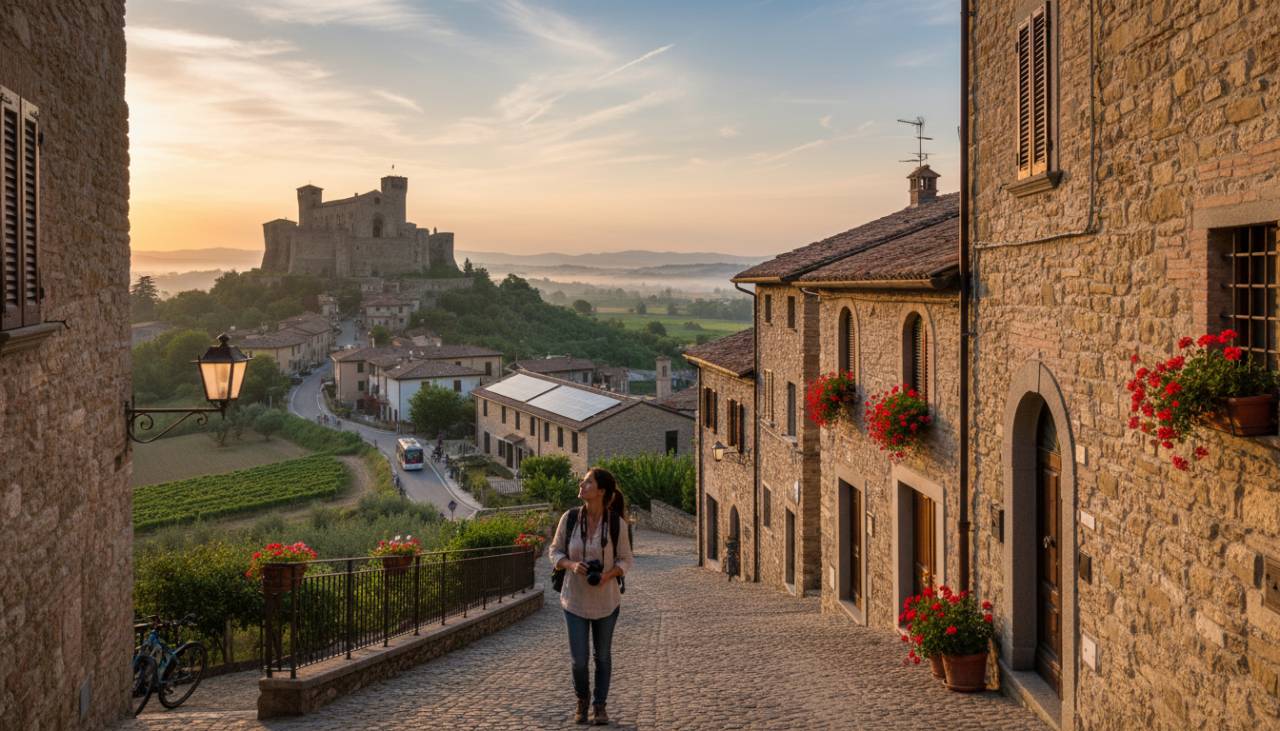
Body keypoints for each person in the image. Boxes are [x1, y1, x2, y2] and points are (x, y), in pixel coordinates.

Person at [548, 468, 633, 726]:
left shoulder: (617, 524)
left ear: (601, 491)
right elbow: (554, 551)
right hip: (574, 600)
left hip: (606, 601)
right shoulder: (570, 518)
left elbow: (626, 560)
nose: (582, 485)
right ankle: (582, 700)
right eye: (583, 482)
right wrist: (572, 565)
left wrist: (609, 575)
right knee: (579, 660)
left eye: (588, 482)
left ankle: (599, 706)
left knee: (603, 656)